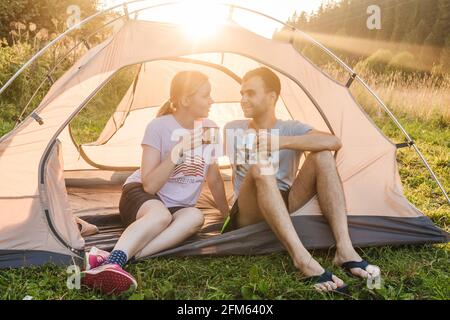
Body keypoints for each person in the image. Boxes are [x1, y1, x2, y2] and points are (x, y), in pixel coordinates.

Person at [223, 67, 380, 293]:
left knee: (323, 155)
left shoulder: (291, 128)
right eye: (241, 93)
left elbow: (333, 141)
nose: (243, 99)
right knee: (261, 168)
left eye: (250, 93)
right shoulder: (233, 128)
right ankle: (302, 259)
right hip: (249, 207)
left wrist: (282, 142)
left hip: (286, 201)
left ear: (271, 97)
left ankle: (344, 250)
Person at [81, 71, 229, 295]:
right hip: (142, 194)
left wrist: (227, 216)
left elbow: (214, 178)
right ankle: (115, 261)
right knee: (161, 216)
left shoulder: (211, 128)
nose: (212, 101)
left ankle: (116, 260)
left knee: (196, 217)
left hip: (178, 206)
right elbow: (149, 185)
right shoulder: (159, 127)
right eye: (206, 95)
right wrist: (179, 149)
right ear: (186, 100)